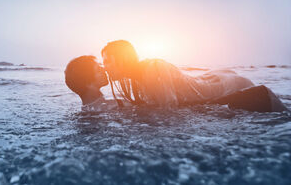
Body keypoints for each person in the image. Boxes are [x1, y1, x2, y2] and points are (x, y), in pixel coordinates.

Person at [101, 40, 288, 112]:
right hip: (213, 80)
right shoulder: (137, 80)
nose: (105, 67)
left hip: (231, 85)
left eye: (108, 61)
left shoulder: (152, 68)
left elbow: (169, 110)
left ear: (122, 59)